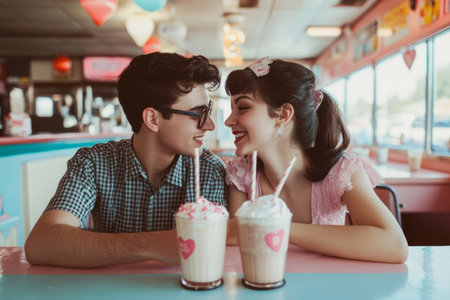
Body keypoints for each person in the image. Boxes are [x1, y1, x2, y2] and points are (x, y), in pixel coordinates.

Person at [25, 52, 228, 267]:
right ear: (152, 119)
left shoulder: (209, 170)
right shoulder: (93, 164)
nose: (209, 125)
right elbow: (41, 243)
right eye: (198, 114)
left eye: (209, 111)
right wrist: (152, 244)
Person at [224, 57, 408, 263]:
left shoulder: (341, 172)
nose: (228, 121)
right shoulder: (241, 174)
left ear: (284, 114)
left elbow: (395, 246)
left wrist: (277, 226)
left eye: (242, 108)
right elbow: (235, 240)